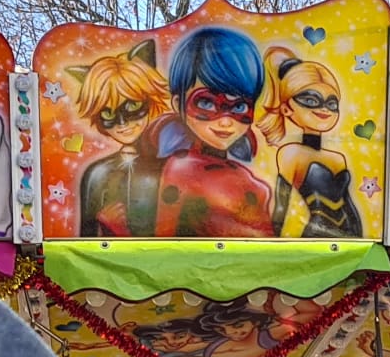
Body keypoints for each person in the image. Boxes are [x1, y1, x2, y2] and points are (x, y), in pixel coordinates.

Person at [151, 27, 276, 238]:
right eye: (206, 102)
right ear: (177, 103)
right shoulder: (182, 169)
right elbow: (166, 237)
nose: (226, 122)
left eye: (239, 107)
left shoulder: (235, 167)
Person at [70, 40, 171, 236]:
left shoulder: (171, 166)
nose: (123, 123)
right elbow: (84, 243)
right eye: (108, 114)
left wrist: (119, 229)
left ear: (151, 101)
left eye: (132, 107)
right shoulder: (97, 173)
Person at [258, 47, 361, 238]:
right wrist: (274, 243)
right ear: (287, 109)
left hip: (348, 238)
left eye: (331, 103)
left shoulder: (337, 158)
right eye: (311, 100)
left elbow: (349, 207)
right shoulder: (291, 154)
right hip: (316, 235)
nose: (324, 109)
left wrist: (359, 236)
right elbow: (282, 206)